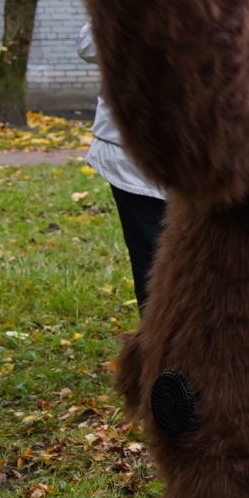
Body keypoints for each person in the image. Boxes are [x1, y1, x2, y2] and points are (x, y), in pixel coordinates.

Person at [76, 18, 165, 309]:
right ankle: (160, 343)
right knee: (151, 259)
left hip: (212, 153)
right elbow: (89, 46)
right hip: (133, 154)